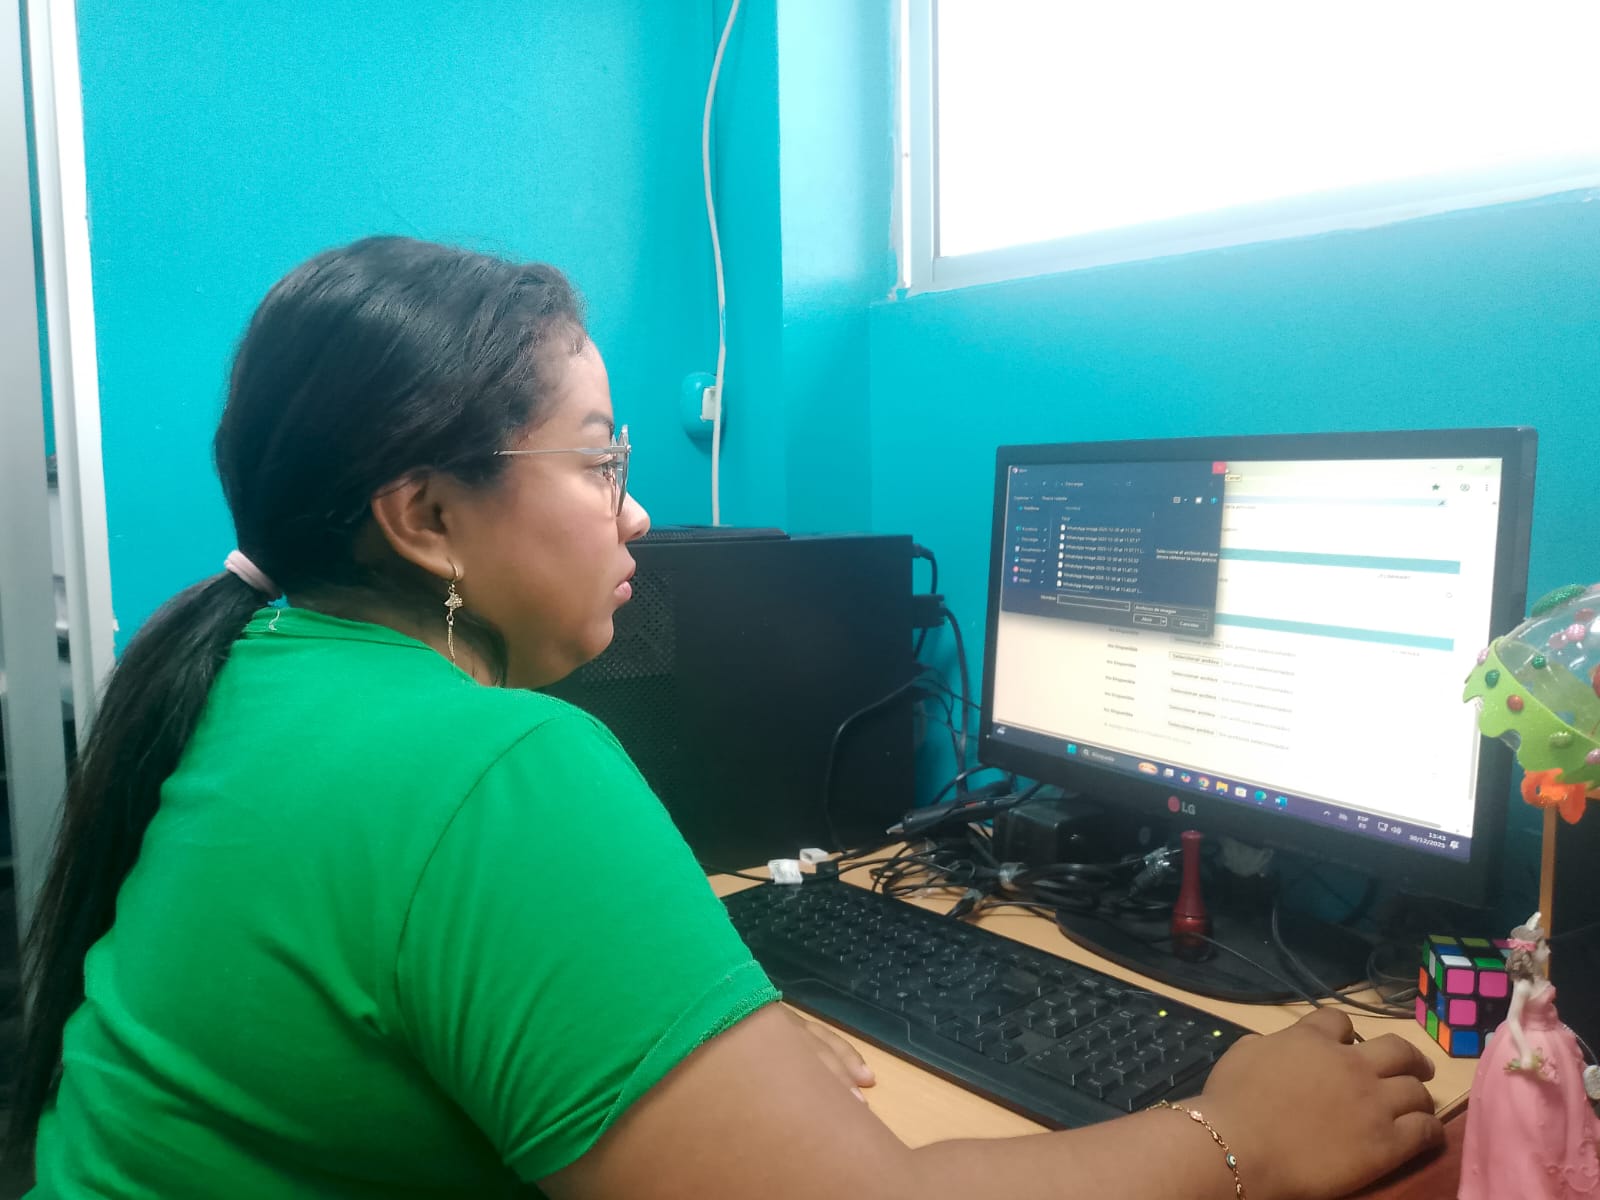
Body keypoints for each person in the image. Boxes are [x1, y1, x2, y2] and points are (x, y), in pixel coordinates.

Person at [12, 236, 1444, 1199]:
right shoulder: (496, 769)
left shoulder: (254, 668)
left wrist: (693, 1058)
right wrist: (1237, 1135)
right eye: (597, 461)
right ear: (428, 516)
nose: (636, 510)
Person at [1458, 913, 1600, 1198]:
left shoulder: (1539, 977)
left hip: (1554, 1040)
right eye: (1545, 946)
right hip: (1529, 1044)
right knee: (1530, 1114)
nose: (1549, 951)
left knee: (1565, 1106)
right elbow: (1513, 1019)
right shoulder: (1523, 986)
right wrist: (1524, 1053)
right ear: (1533, 953)